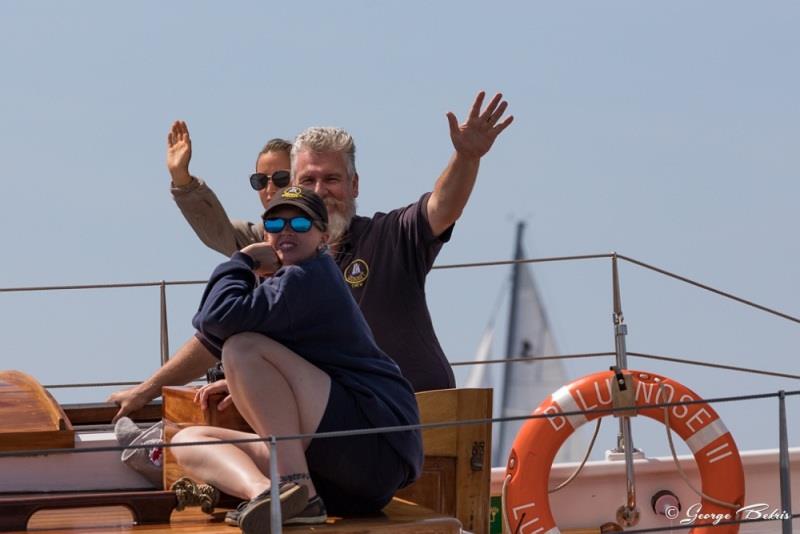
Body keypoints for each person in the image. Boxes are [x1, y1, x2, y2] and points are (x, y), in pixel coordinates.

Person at [108, 91, 511, 419]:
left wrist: (466, 157)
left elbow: (442, 206)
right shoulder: (277, 264)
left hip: (421, 413)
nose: (320, 191)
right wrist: (147, 391)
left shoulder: (389, 237)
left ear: (354, 185)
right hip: (339, 420)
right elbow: (215, 338)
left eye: (332, 179)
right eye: (308, 181)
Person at [171, 187, 422, 532]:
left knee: (241, 348)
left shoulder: (308, 277)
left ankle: (296, 489)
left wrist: (242, 260)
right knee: (187, 441)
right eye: (275, 222)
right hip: (339, 474)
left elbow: (218, 317)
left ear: (323, 235)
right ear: (265, 231)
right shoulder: (292, 281)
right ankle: (270, 495)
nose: (286, 230)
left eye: (300, 222)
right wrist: (241, 383)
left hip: (373, 445)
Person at [167, 119, 293, 256]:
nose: (270, 188)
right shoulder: (256, 241)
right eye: (260, 180)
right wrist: (181, 177)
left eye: (281, 178)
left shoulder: (318, 230)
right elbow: (218, 230)